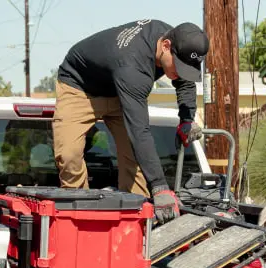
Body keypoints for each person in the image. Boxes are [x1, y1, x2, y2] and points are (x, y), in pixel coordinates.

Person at [53, 19, 209, 224]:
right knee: (69, 154)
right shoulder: (133, 64)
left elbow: (185, 82)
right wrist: (160, 188)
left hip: (121, 91)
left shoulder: (177, 40)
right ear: (165, 46)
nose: (180, 73)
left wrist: (186, 119)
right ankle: (80, 217)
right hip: (80, 87)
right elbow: (140, 131)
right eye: (179, 66)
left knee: (134, 159)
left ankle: (134, 225)